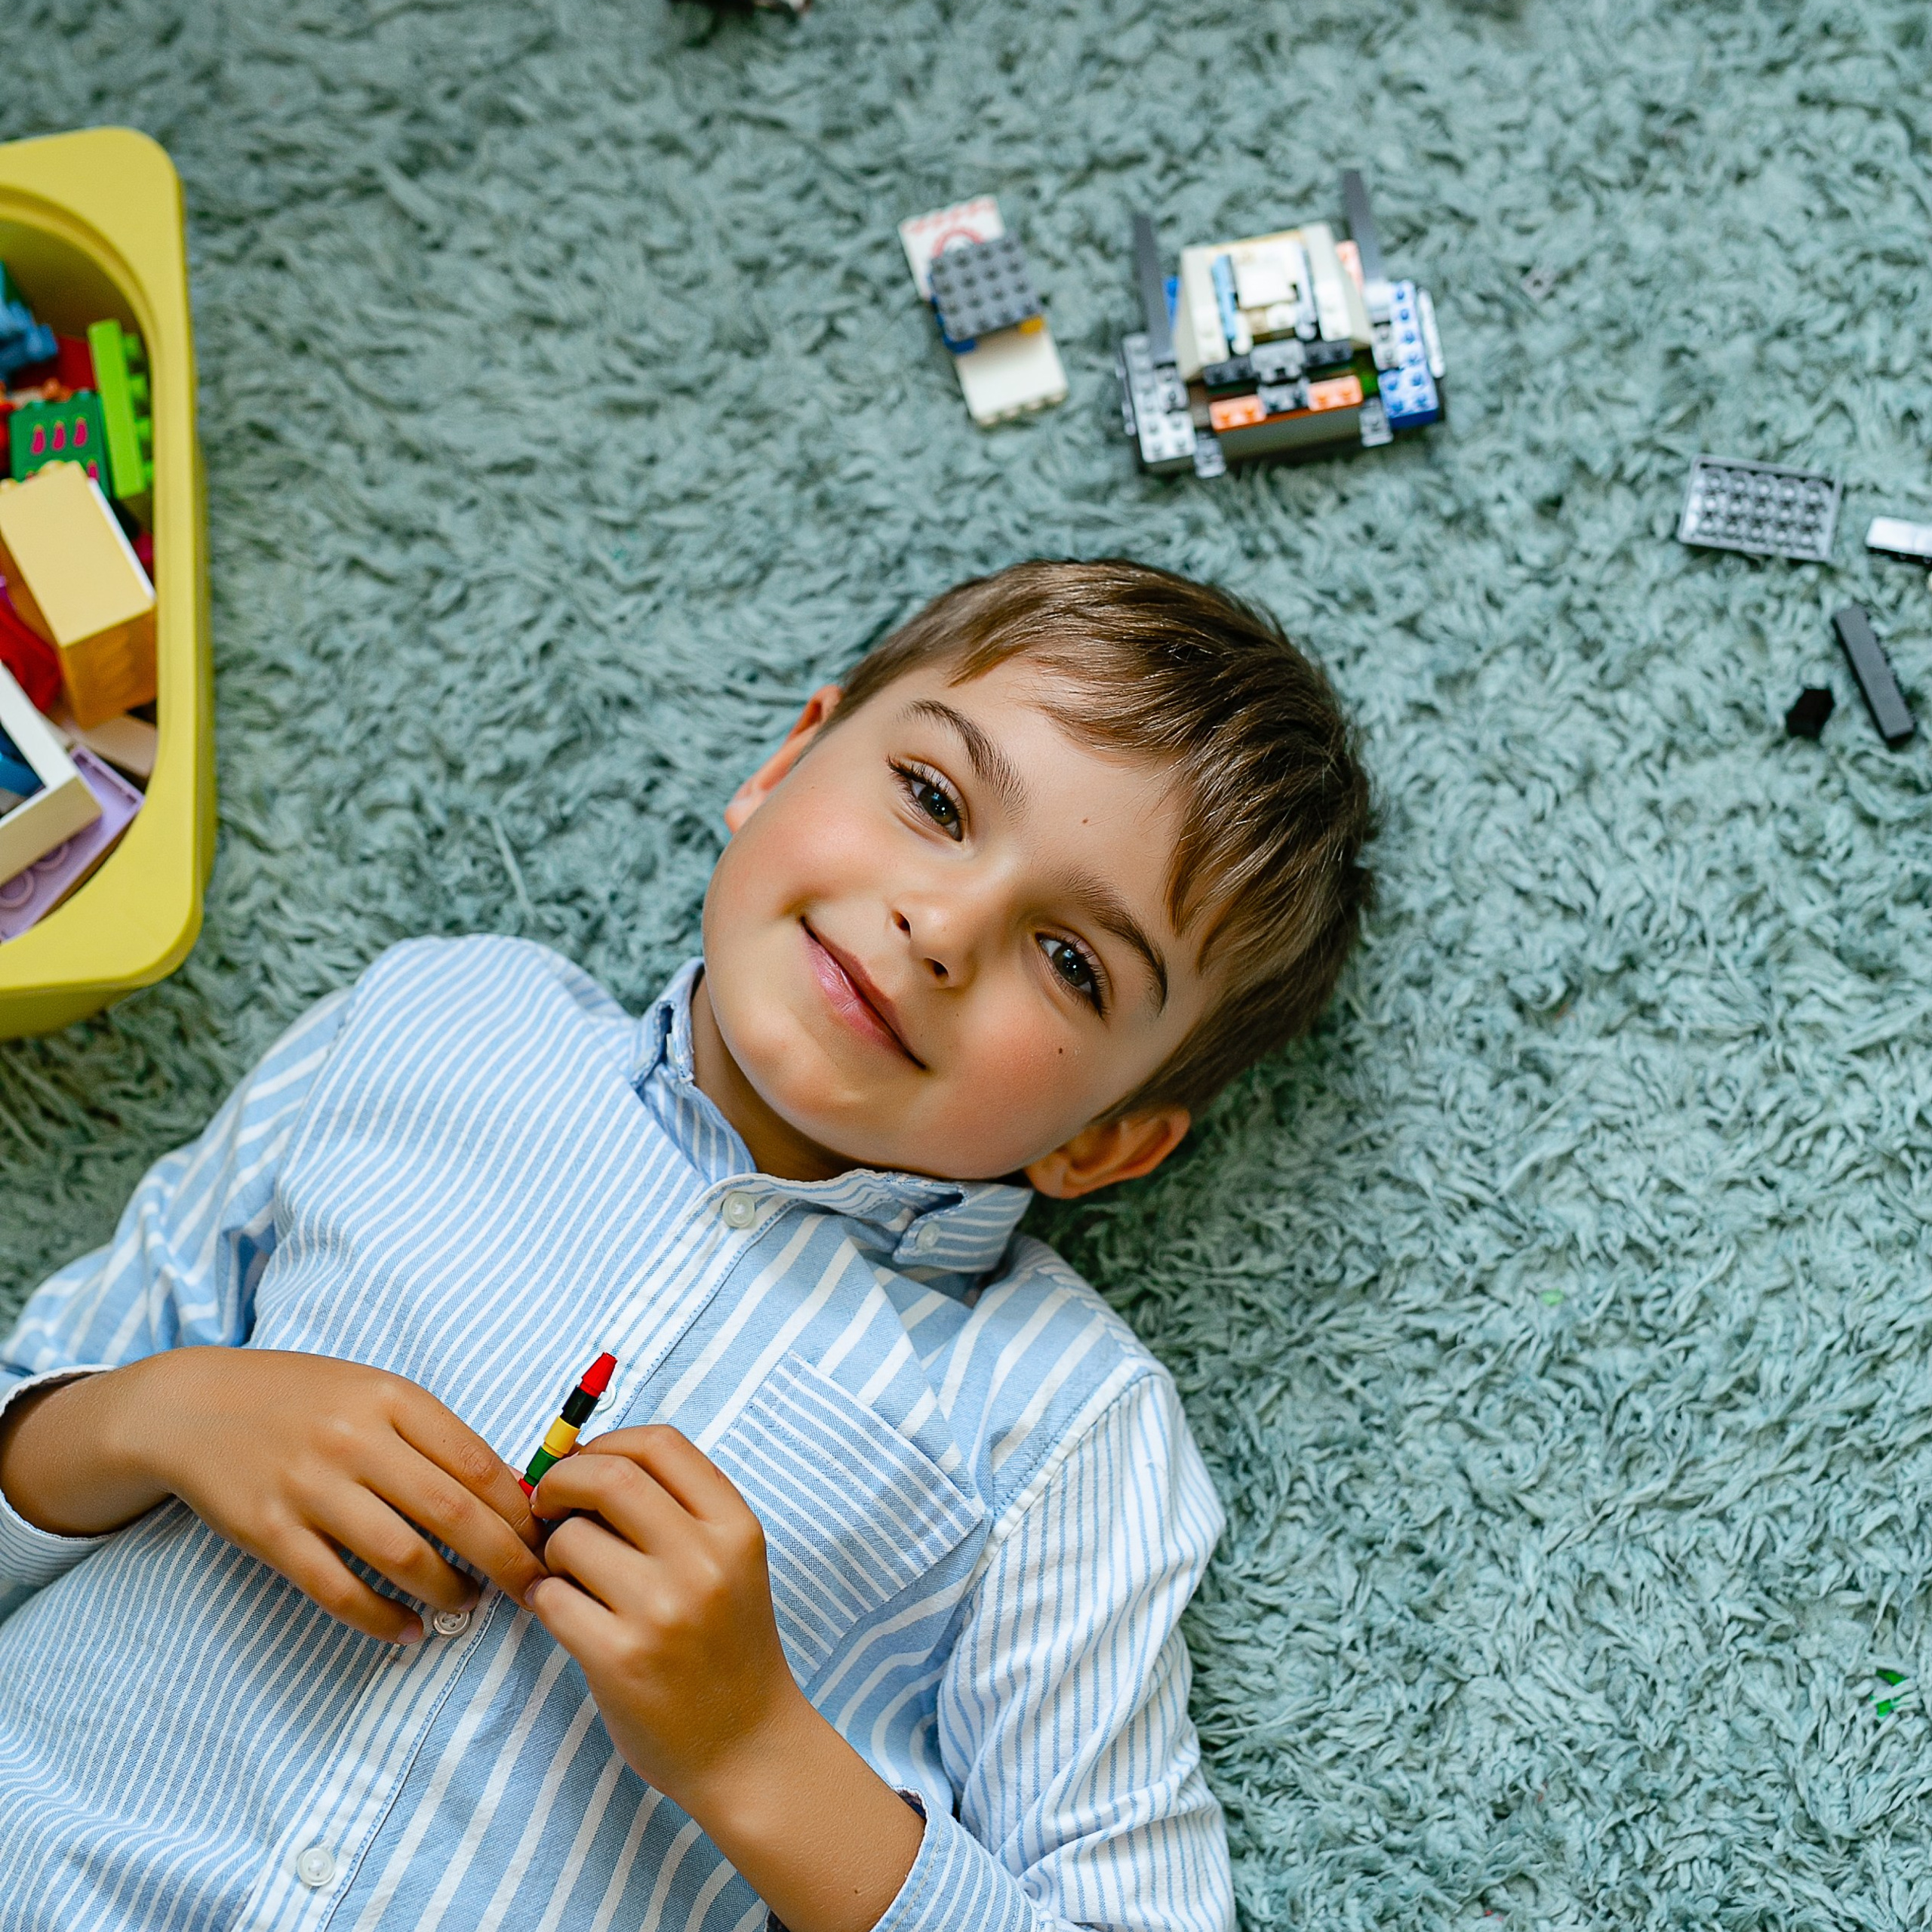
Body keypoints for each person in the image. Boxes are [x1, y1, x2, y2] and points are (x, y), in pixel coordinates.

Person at [0, 558, 1371, 1932]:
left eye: (1074, 963)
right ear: (783, 765)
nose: (942, 930)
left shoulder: (1066, 1431)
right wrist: (157, 1414)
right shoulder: (443, 1018)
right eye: (936, 800)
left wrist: (759, 1755)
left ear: (1107, 1143)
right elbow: (44, 1399)